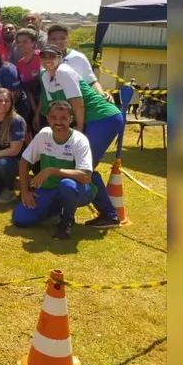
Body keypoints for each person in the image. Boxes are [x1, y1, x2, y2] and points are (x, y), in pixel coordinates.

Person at [36, 45, 124, 228]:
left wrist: (80, 130)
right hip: (92, 120)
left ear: (60, 58)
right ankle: (103, 212)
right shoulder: (45, 76)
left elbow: (78, 104)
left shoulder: (64, 72)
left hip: (103, 118)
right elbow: (54, 106)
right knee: (83, 167)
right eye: (43, 55)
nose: (47, 59)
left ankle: (107, 215)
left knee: (83, 168)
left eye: (52, 55)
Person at [12, 100, 97, 239]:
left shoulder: (79, 140)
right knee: (20, 219)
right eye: (54, 117)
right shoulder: (43, 135)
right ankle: (56, 209)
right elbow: (24, 162)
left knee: (67, 185)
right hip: (48, 189)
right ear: (47, 119)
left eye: (63, 118)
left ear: (70, 119)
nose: (58, 122)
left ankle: (66, 223)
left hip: (78, 190)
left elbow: (85, 176)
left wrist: (51, 170)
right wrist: (25, 190)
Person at [46, 24, 110, 99]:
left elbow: (92, 82)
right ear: (48, 41)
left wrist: (102, 95)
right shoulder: (43, 59)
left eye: (62, 38)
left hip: (78, 103)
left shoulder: (78, 57)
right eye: (54, 39)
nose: (58, 41)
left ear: (67, 40)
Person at [13, 28, 42, 126]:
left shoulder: (42, 57)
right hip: (32, 105)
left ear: (33, 43)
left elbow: (46, 89)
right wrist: (35, 113)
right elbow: (28, 90)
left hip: (47, 103)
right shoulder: (20, 63)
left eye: (25, 41)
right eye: (18, 42)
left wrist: (38, 113)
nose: (21, 44)